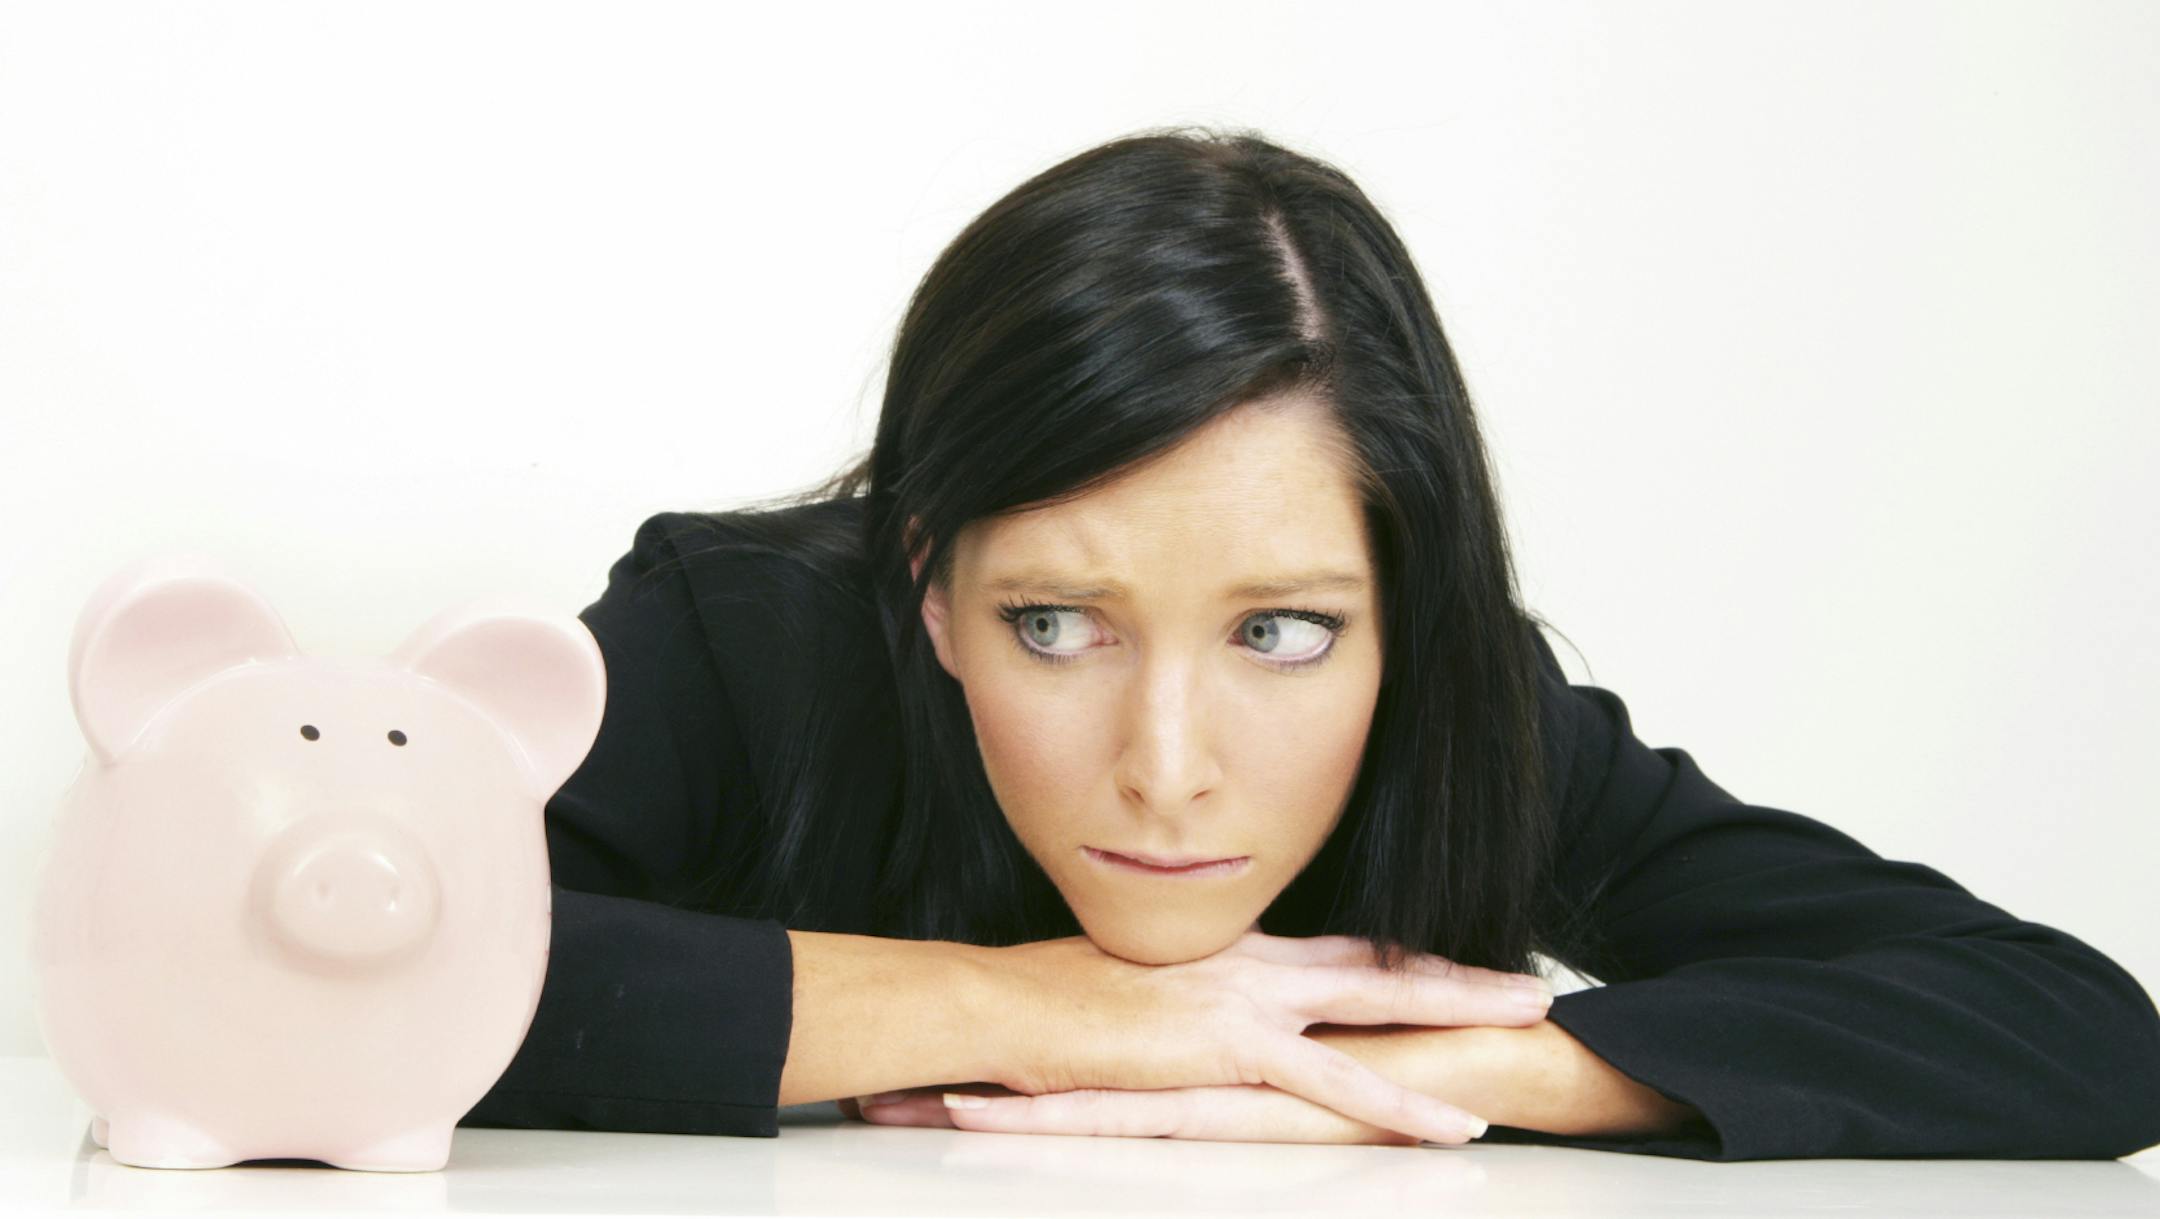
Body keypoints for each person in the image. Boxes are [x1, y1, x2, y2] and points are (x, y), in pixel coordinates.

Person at [456, 126, 2160, 1159]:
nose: (1168, 768)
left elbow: (2071, 1027)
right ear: (927, 588)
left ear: (1404, 615)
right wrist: (1027, 1010)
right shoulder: (740, 640)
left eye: (1280, 630)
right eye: (1054, 623)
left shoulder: (1463, 718)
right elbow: (367, 968)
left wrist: (1470, 1068)